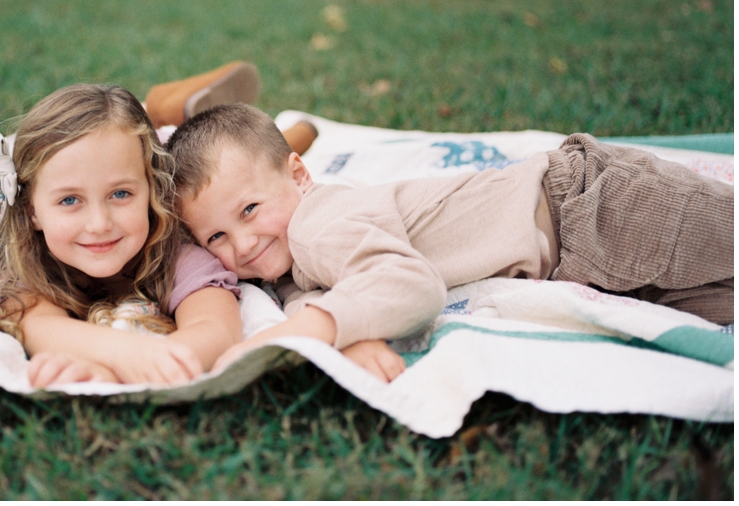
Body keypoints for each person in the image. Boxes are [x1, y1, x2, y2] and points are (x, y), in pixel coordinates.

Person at [166, 103, 734, 382]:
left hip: (591, 207)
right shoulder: (291, 266)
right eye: (216, 235)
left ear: (297, 176)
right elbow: (325, 298)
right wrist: (347, 337)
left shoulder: (318, 223)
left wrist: (309, 331)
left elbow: (408, 286)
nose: (241, 244)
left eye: (249, 210)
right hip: (581, 259)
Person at [0, 65, 319, 389]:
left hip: (160, 162)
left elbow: (216, 329)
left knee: (234, 169)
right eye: (69, 200)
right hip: (72, 174)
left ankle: (279, 130)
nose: (99, 225)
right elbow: (42, 326)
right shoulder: (26, 241)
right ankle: (167, 110)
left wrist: (138, 366)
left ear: (152, 190)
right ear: (33, 210)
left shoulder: (173, 246)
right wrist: (129, 359)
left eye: (121, 194)